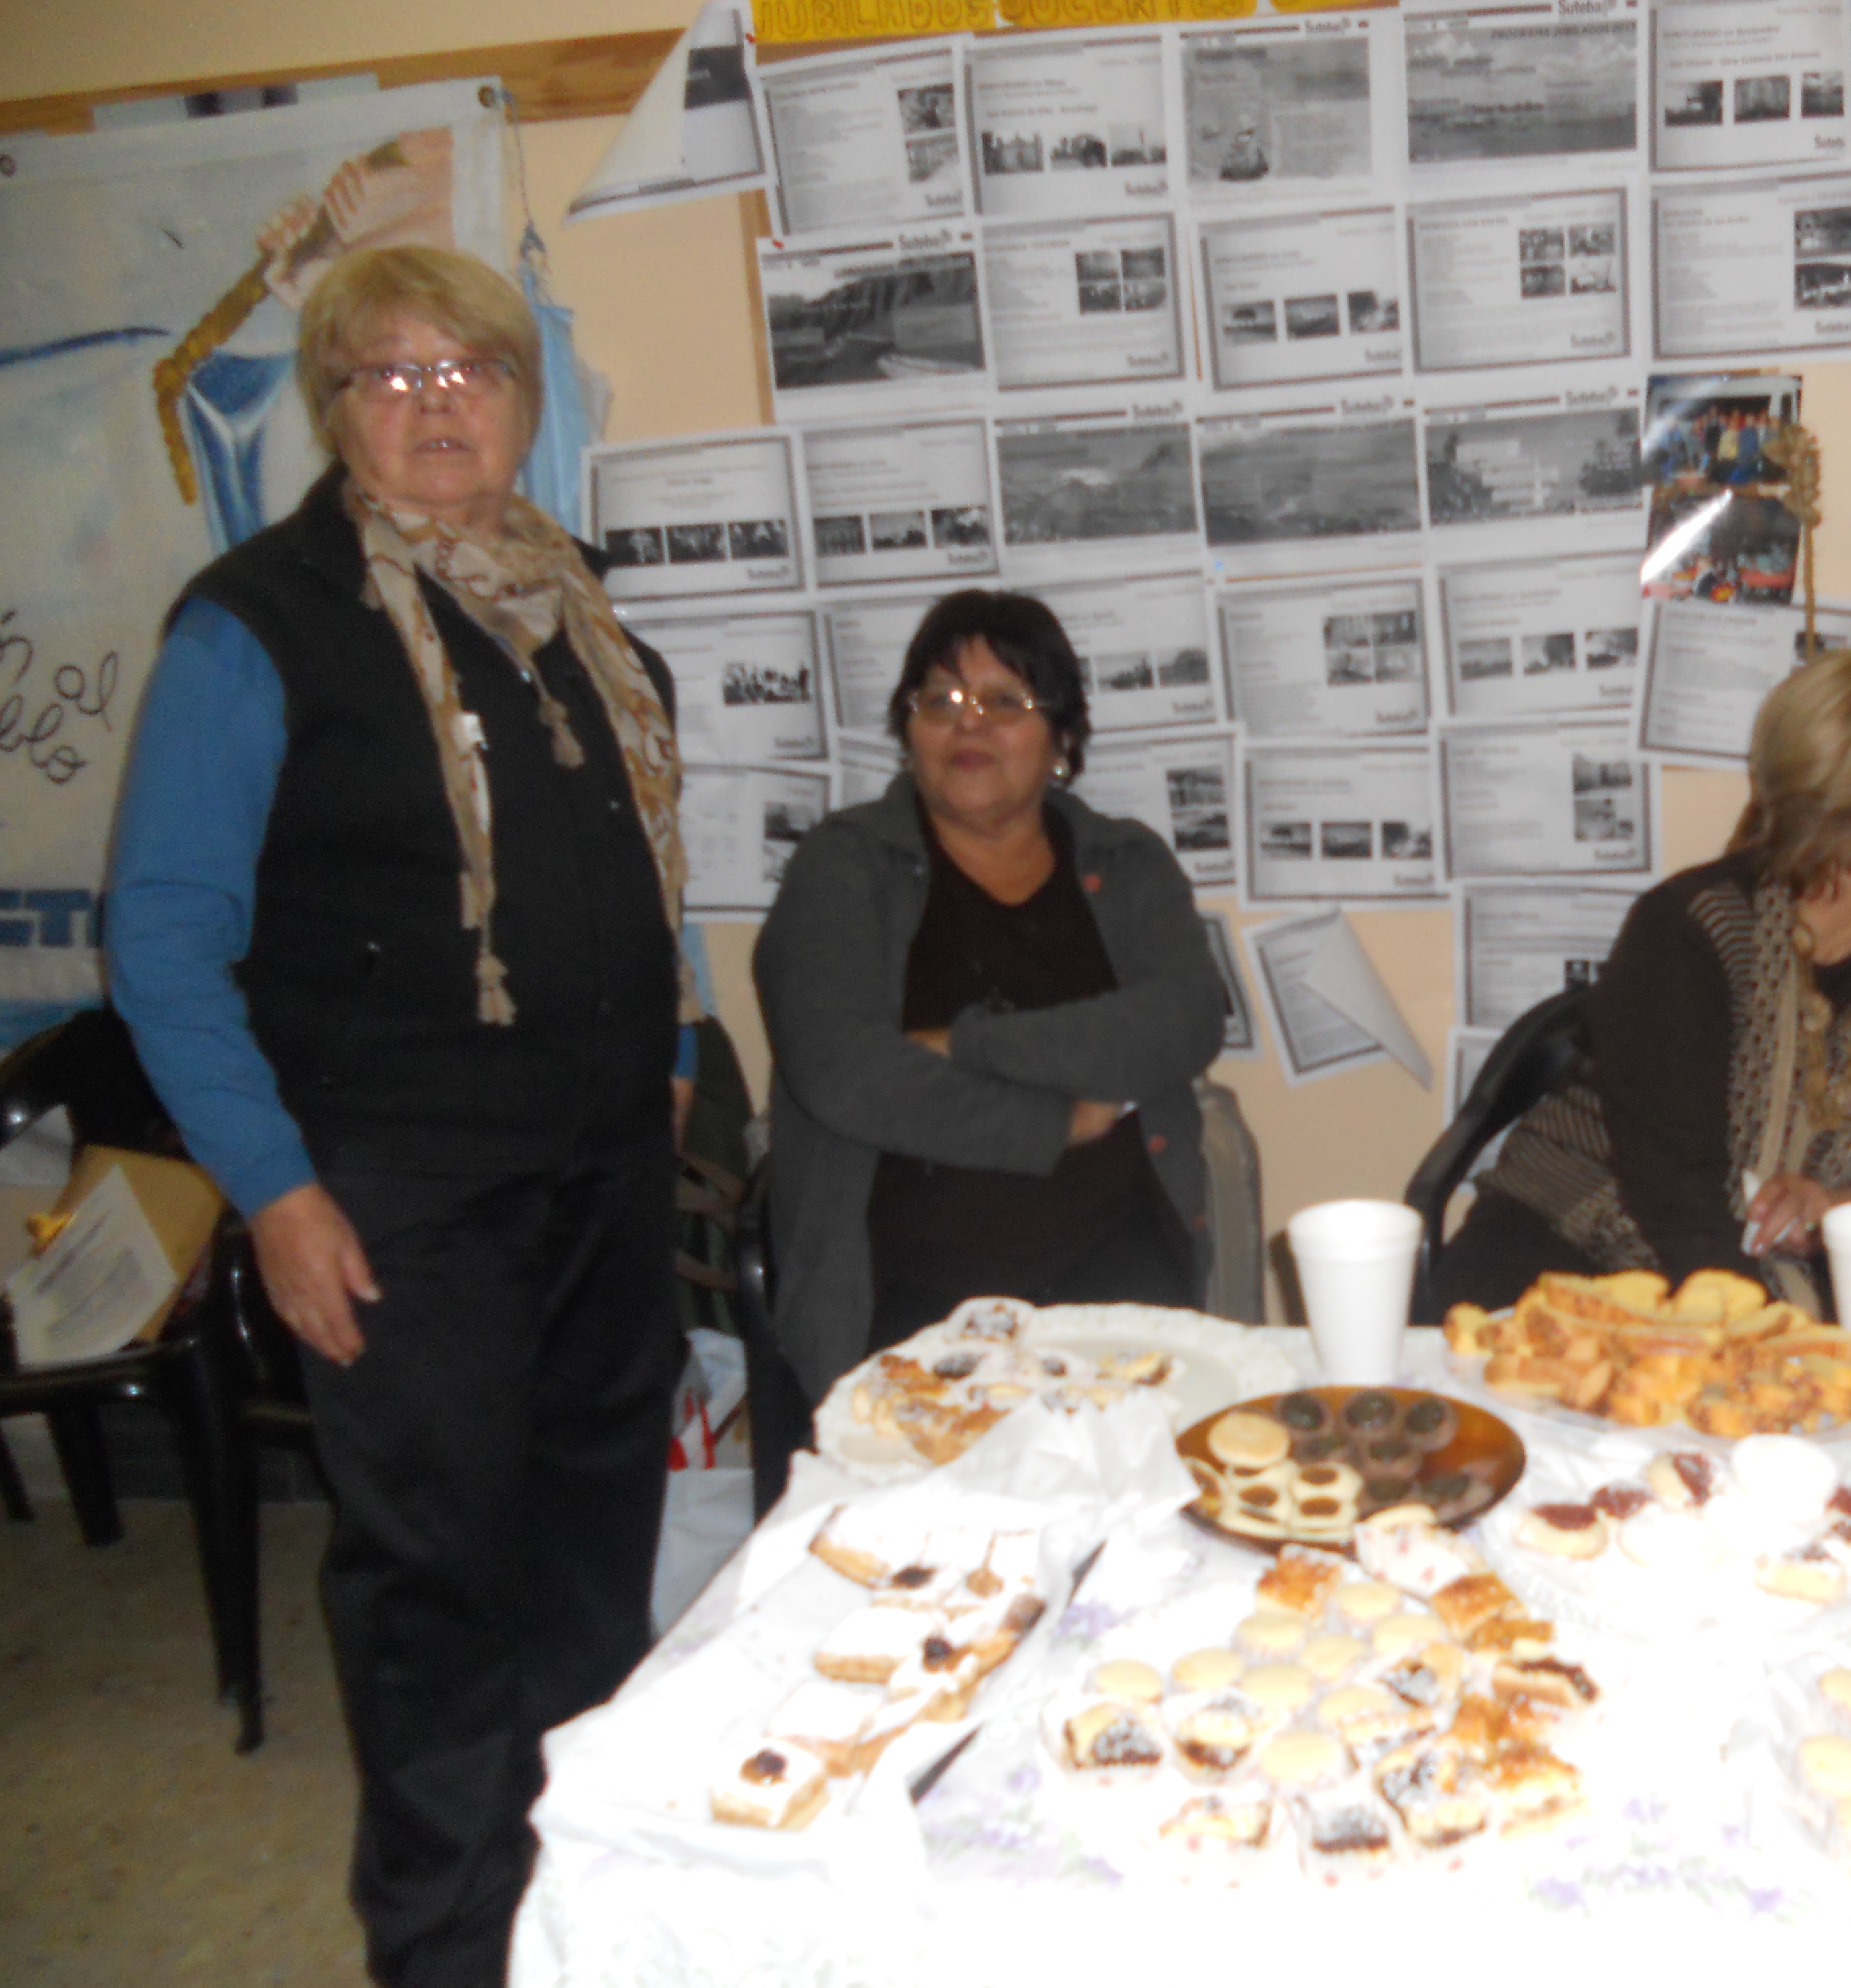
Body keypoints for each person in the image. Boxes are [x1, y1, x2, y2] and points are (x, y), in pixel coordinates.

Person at [104, 245, 693, 1988]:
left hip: (600, 1184)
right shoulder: (256, 627)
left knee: (593, 1574)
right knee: (439, 1597)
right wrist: (275, 1194)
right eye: (392, 375)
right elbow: (162, 943)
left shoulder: (574, 611)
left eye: (472, 371)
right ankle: (442, 1949)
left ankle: (579, 1924)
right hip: (400, 1206)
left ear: (525, 401)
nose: (438, 406)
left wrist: (670, 1047)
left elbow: (637, 870)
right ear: (334, 408)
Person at [753, 589, 1227, 1415]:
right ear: (909, 731)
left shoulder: (1127, 861)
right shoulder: (844, 866)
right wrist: (1057, 1121)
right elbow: (846, 1073)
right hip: (907, 1286)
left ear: (1062, 739)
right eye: (940, 702)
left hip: (1115, 1255)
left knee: (1135, 1467)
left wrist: (964, 1045)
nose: (967, 725)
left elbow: (1183, 1017)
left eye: (1004, 702)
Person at [1431, 648, 1851, 1314]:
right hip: (1574, 1238)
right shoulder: (1695, 930)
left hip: (1771, 1258)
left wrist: (1843, 1204)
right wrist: (1765, 1343)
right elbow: (1678, 1195)